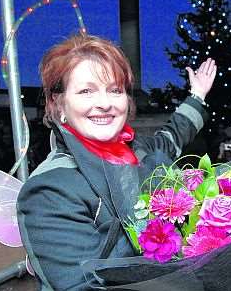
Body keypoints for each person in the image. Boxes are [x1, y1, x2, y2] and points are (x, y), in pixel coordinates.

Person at [17, 34, 217, 290]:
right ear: (59, 104)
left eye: (115, 90)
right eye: (86, 91)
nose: (104, 103)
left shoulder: (137, 151)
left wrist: (197, 95)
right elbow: (81, 285)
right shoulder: (50, 189)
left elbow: (172, 137)